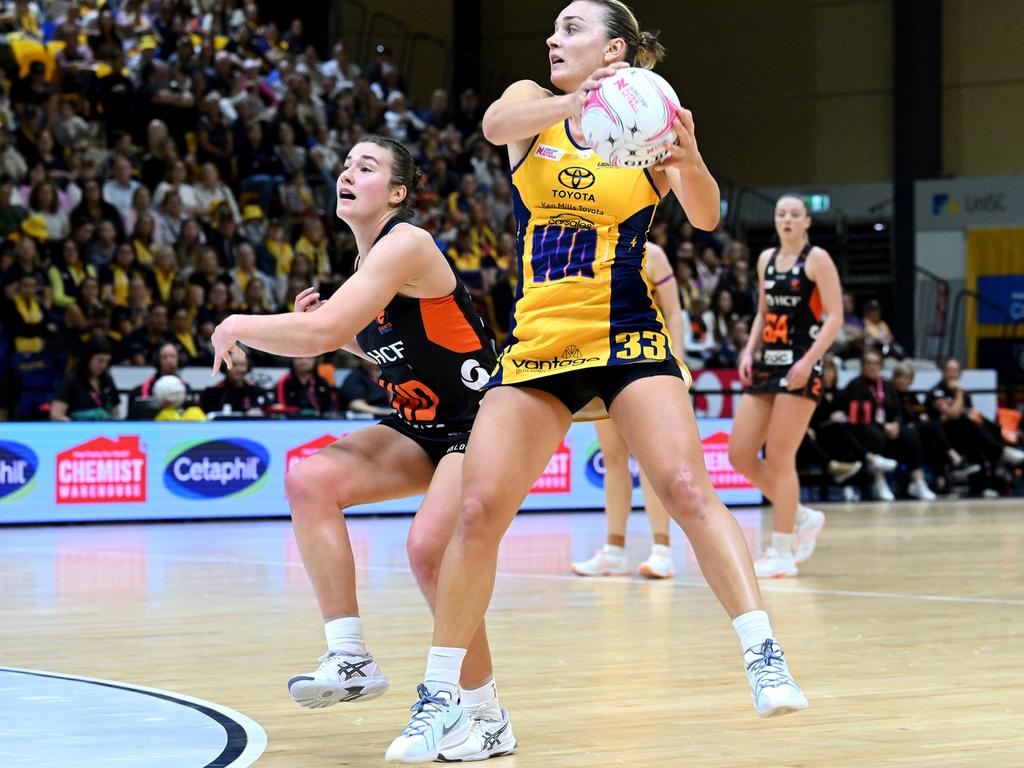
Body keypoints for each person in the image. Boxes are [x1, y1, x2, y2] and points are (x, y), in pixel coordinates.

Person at [381, 4, 807, 762]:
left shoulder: (650, 126)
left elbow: (705, 218)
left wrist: (692, 155)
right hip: (539, 342)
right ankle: (442, 696)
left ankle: (762, 653)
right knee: (477, 513)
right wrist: (580, 102)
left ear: (614, 48)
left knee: (682, 483)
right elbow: (491, 125)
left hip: (624, 332)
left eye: (572, 29)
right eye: (553, 28)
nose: (553, 38)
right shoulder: (532, 109)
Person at [209, 136, 514, 761]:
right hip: (421, 426)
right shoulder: (365, 269)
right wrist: (339, 337)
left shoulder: (408, 243)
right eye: (346, 165)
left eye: (366, 166)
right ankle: (349, 657)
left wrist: (240, 324)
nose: (348, 173)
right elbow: (377, 346)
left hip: (481, 421)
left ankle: (485, 714)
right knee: (310, 481)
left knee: (430, 550)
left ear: (397, 193)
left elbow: (318, 331)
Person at [728, 194, 843, 578]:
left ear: (807, 221)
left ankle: (781, 551)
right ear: (775, 221)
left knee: (779, 456)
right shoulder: (765, 260)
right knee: (739, 454)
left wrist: (808, 361)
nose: (788, 220)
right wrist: (748, 350)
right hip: (766, 364)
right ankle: (801, 516)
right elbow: (763, 311)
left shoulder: (817, 259)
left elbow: (835, 318)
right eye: (782, 214)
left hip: (800, 365)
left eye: (795, 214)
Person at [571, 241, 683, 579]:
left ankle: (662, 550)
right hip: (601, 362)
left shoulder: (655, 254)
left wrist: (676, 360)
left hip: (644, 361)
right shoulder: (591, 250)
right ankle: (614, 550)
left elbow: (674, 311)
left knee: (648, 456)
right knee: (613, 456)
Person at [50, 337, 120, 421]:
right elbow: (56, 414)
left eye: (107, 361)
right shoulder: (71, 380)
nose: (103, 366)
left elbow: (115, 412)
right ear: (88, 358)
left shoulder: (107, 379)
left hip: (103, 432)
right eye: (100, 360)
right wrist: (77, 428)